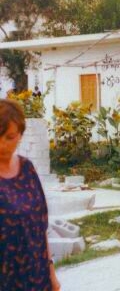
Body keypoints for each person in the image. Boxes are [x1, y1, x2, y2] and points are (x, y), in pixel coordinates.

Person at [0, 99, 60, 291]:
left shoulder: (27, 169)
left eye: (9, 137)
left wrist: (51, 274)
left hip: (36, 276)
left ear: (20, 135)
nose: (2, 145)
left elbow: (41, 227)